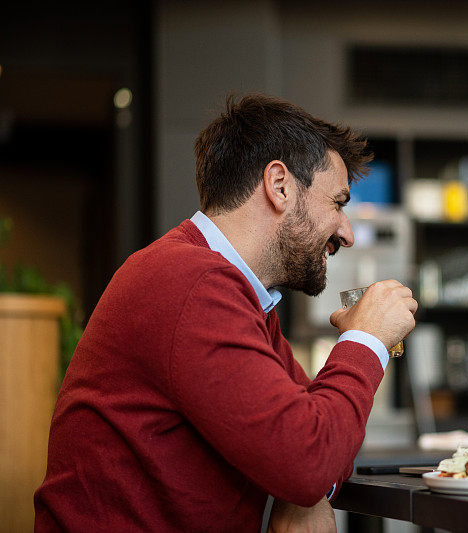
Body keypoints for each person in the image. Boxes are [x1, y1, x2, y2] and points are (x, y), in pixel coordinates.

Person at [34, 94, 417, 532]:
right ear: (279, 185)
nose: (347, 234)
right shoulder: (191, 281)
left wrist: (306, 494)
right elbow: (310, 460)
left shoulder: (237, 294)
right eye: (338, 203)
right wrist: (365, 341)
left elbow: (321, 438)